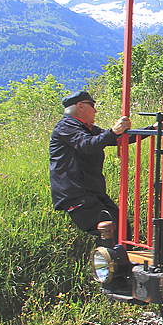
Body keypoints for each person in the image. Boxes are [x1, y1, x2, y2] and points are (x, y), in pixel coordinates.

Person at [49, 90, 131, 235]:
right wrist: (113, 131)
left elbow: (115, 139)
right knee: (108, 230)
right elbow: (88, 145)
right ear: (80, 106)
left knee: (122, 227)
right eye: (92, 105)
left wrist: (153, 129)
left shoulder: (86, 127)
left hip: (91, 192)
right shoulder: (66, 127)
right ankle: (109, 257)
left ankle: (120, 256)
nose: (95, 110)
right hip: (76, 194)